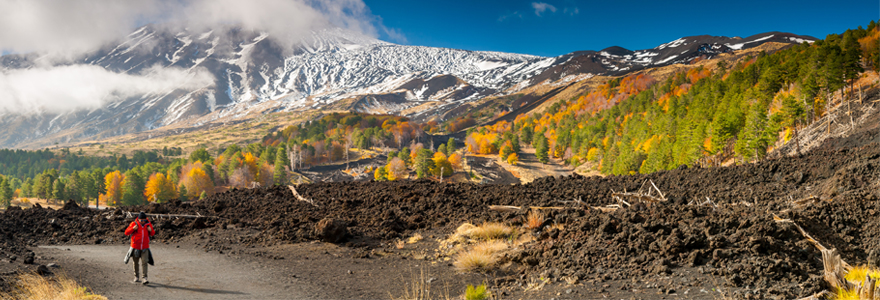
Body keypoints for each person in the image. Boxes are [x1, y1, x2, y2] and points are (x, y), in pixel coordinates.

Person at [124, 212, 155, 285]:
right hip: (135, 247)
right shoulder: (134, 224)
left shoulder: (148, 224)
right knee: (136, 262)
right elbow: (126, 232)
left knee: (145, 262)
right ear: (139, 219)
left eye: (144, 220)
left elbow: (153, 233)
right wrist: (133, 229)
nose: (143, 222)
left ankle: (144, 278)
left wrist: (150, 230)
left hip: (145, 247)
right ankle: (136, 276)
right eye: (141, 220)